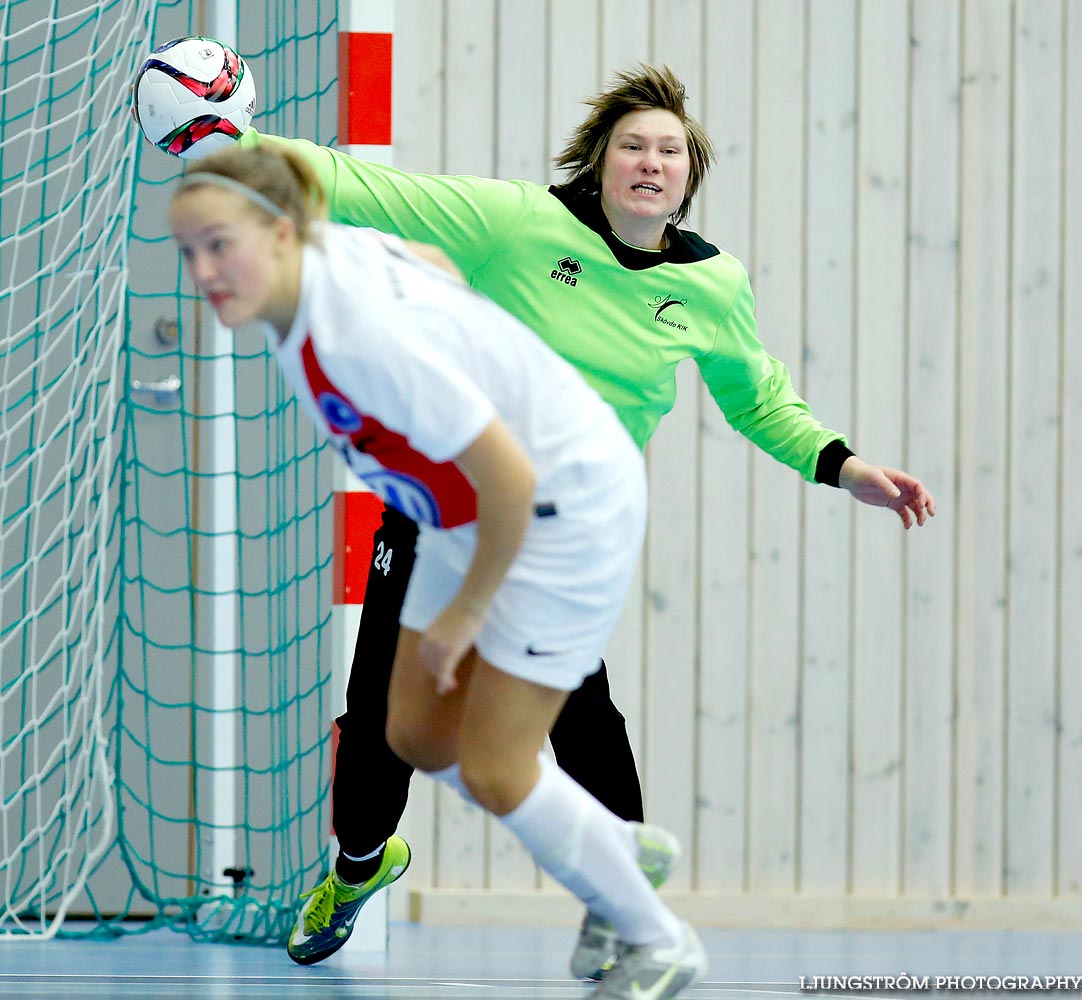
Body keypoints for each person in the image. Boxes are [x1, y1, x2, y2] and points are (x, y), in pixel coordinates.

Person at [234, 64, 935, 974]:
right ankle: (359, 863)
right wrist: (232, 142)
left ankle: (624, 904)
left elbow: (757, 399)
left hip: (558, 528)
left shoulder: (712, 287)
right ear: (599, 165)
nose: (650, 162)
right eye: (632, 147)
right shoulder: (522, 225)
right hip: (440, 502)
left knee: (581, 714)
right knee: (381, 719)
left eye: (669, 152)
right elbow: (377, 191)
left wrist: (845, 468)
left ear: (689, 176)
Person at [168, 143, 709, 1000]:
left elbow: (511, 480)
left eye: (220, 245)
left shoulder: (360, 341)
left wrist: (466, 613)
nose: (204, 271)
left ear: (278, 231)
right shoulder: (313, 268)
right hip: (451, 509)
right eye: (189, 250)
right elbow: (429, 260)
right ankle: (614, 850)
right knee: (412, 733)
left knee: (497, 766)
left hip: (558, 507)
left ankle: (657, 936)